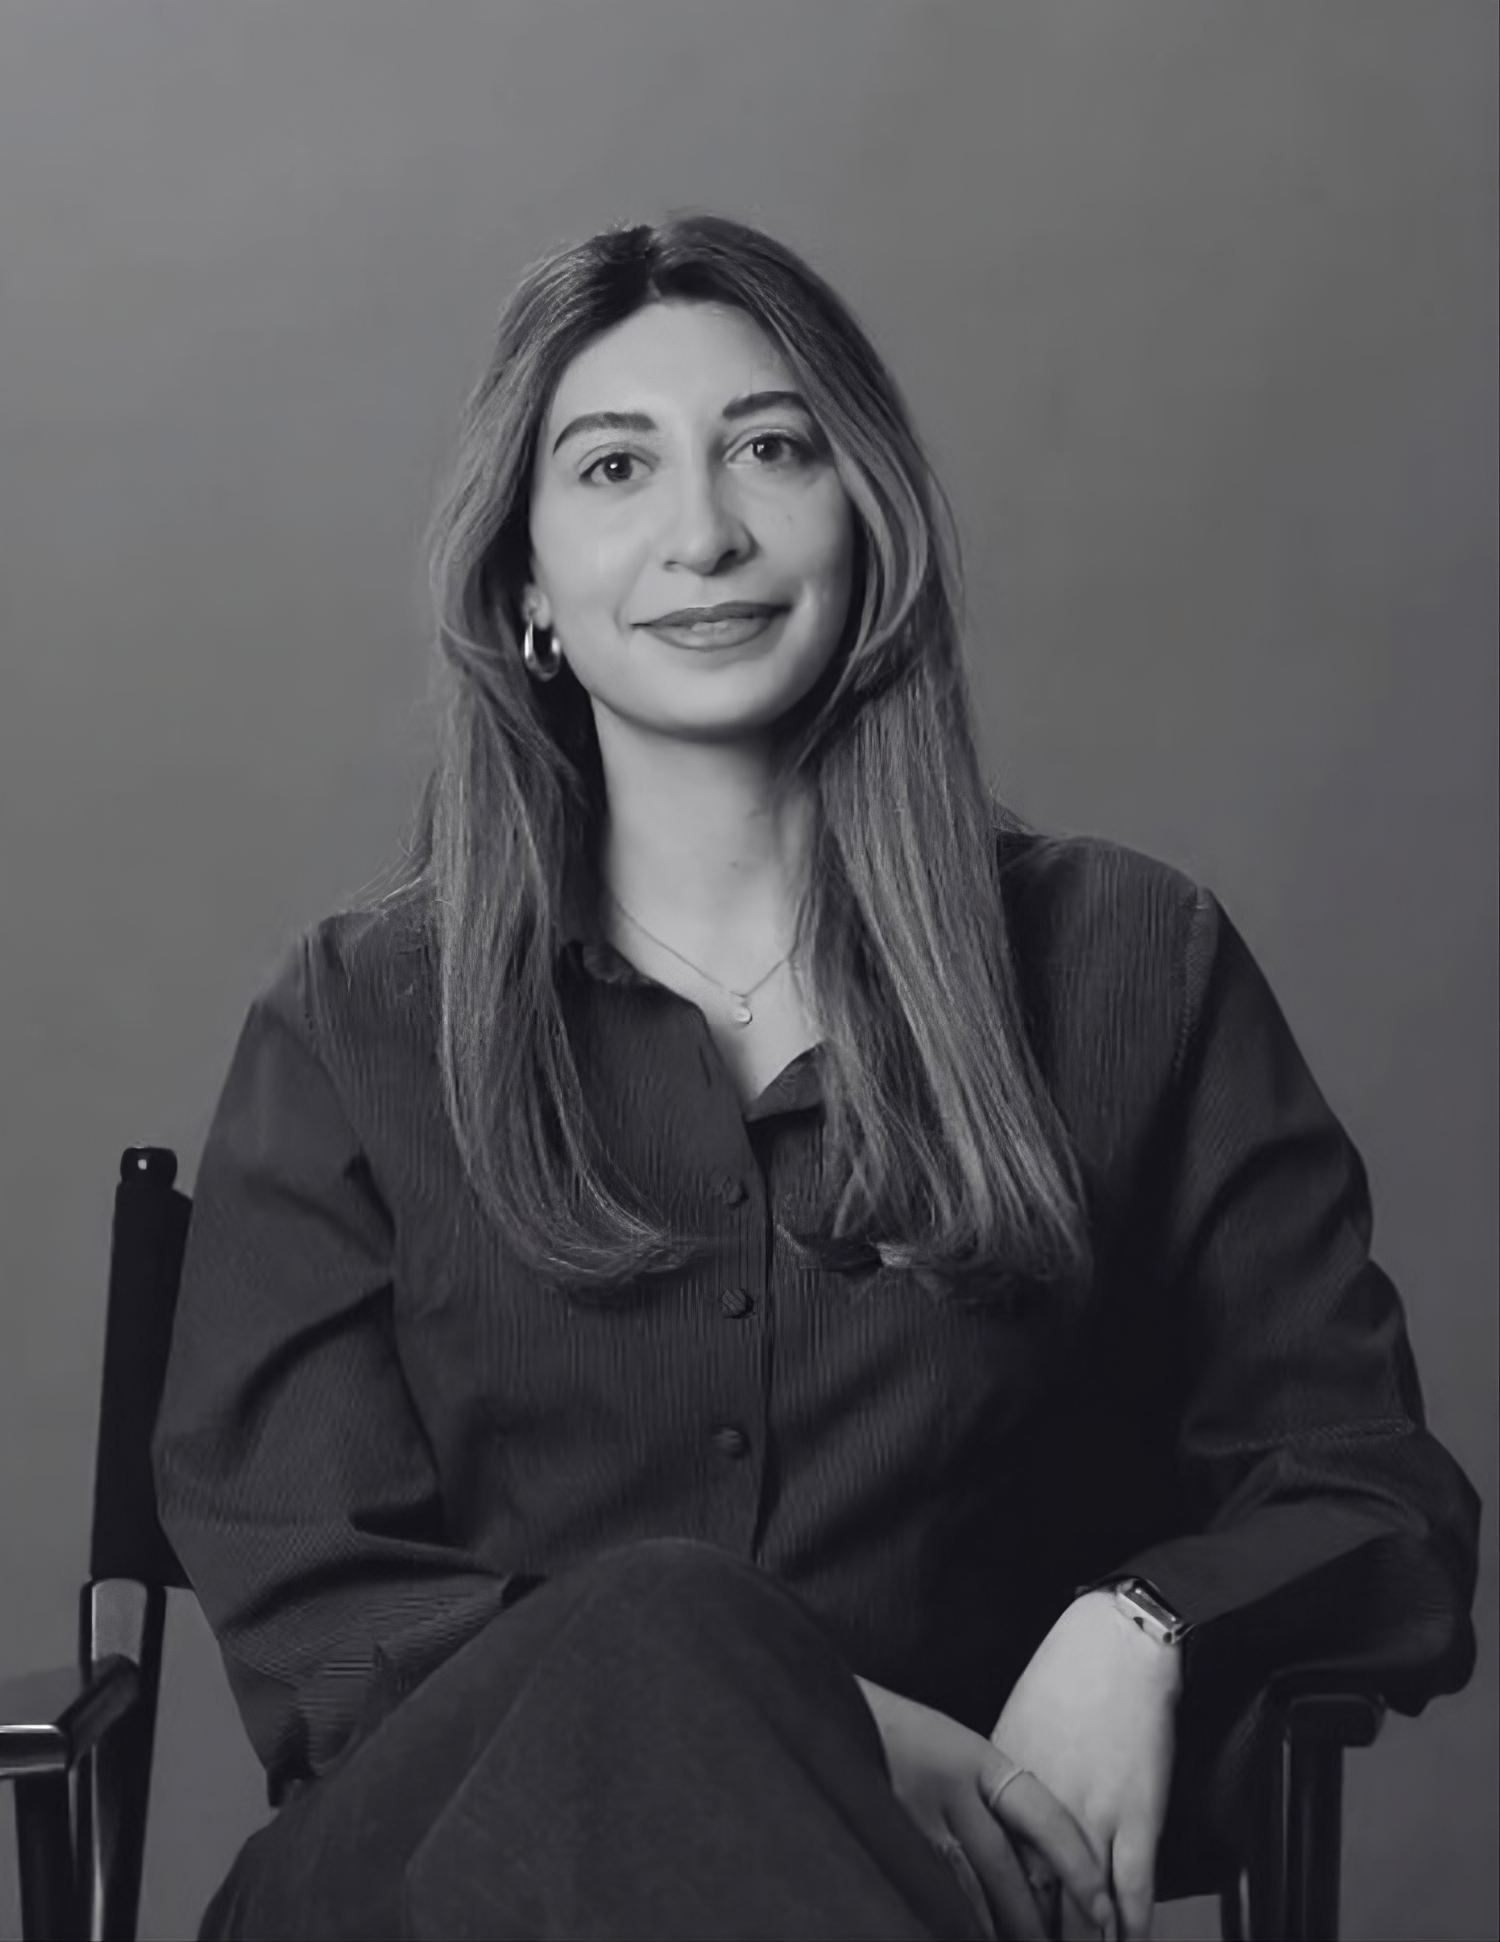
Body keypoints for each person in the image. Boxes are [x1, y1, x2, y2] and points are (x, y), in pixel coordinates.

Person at [152, 213, 1480, 1942]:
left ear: (869, 519)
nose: (702, 530)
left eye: (770, 448)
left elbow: (1374, 1485)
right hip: (431, 1895)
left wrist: (1143, 1622)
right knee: (657, 1620)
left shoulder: (1126, 966)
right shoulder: (354, 1024)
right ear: (528, 585)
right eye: (614, 466)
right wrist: (830, 1726)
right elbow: (322, 1610)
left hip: (917, 1903)